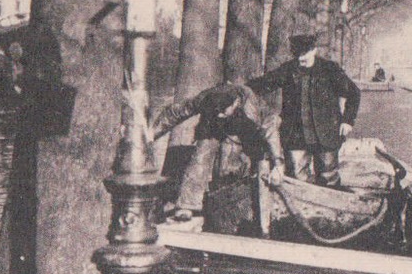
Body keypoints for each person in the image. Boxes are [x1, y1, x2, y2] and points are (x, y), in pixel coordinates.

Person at [152, 81, 280, 221]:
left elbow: (271, 131)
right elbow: (176, 112)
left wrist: (278, 163)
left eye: (223, 112)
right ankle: (188, 204)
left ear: (235, 103)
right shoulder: (206, 99)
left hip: (247, 128)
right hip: (213, 126)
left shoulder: (251, 108)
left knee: (257, 161)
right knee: (201, 155)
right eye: (217, 112)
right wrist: (152, 133)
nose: (219, 115)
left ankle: (257, 207)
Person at [244, 34, 360, 188]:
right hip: (296, 134)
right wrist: (241, 89)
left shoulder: (330, 69)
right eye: (297, 54)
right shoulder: (288, 69)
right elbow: (265, 83)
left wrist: (347, 120)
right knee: (297, 179)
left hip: (326, 134)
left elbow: (354, 93)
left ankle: (330, 209)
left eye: (304, 54)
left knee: (328, 177)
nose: (300, 58)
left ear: (314, 51)